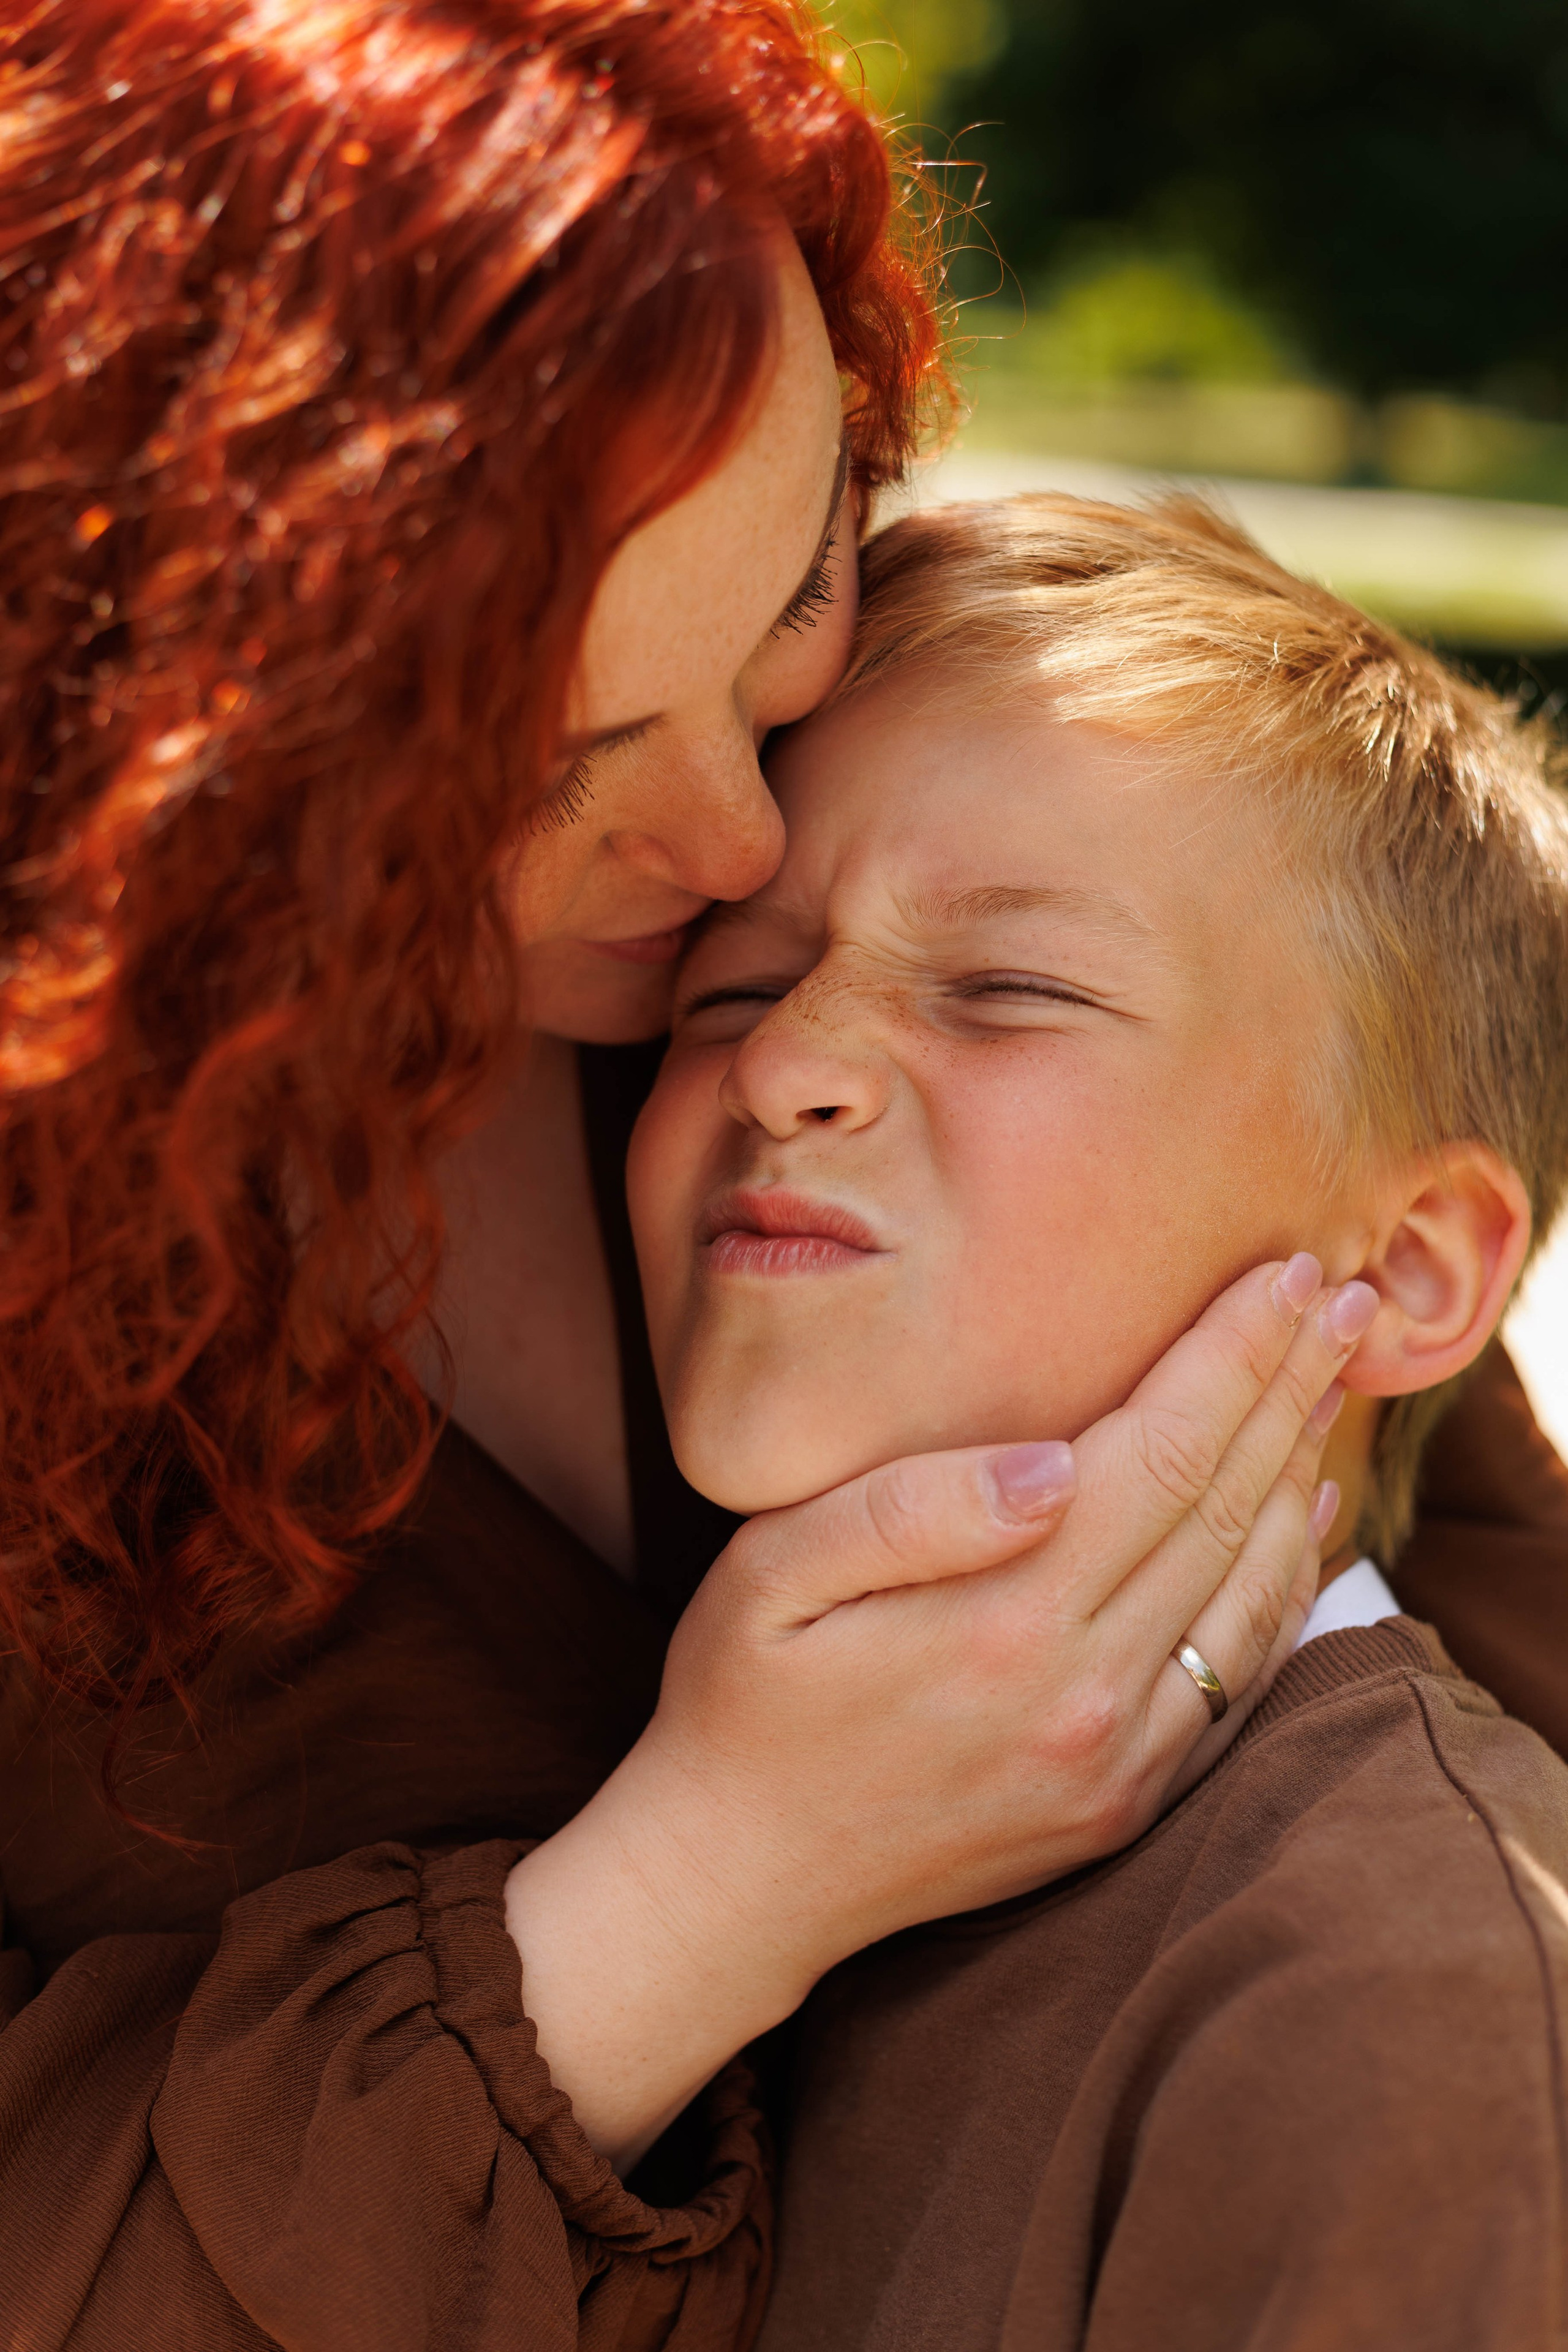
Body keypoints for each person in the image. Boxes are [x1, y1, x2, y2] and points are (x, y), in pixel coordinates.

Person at [0, 9, 1380, 2346]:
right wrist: (717, 1884)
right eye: (542, 774)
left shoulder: (906, 808)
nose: (741, 851)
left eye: (789, 606)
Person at [627, 492, 1568, 2350]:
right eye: (730, 984)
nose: (787, 1062)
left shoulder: (1422, 2009)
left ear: (1403, 1270)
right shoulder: (646, 1746)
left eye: (1003, 992)